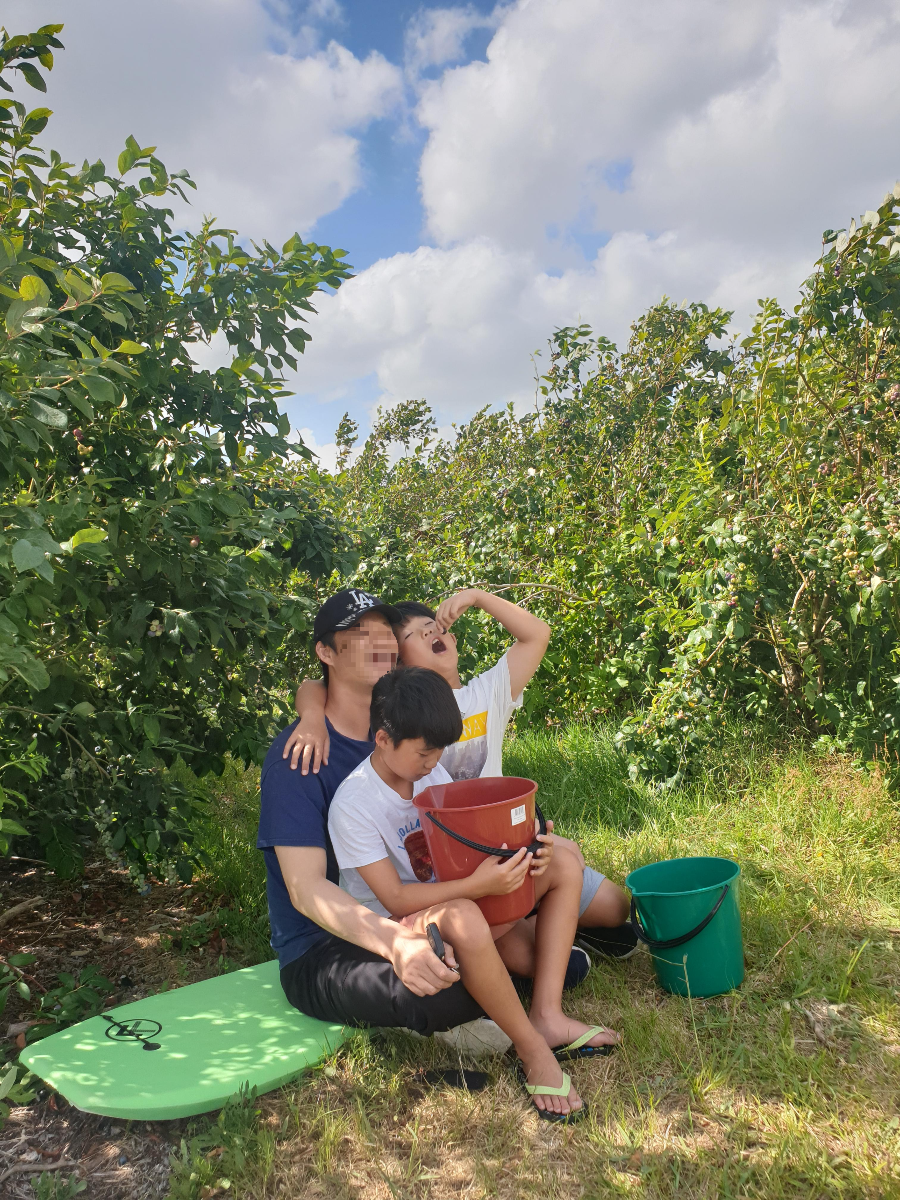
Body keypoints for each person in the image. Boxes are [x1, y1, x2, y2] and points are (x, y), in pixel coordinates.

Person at [327, 665, 619, 1121]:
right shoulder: (354, 803)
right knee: (465, 914)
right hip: (399, 929)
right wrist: (478, 886)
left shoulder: (430, 776)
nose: (432, 763)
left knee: (561, 859)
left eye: (439, 752)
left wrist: (530, 845)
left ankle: (548, 1014)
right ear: (383, 739)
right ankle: (531, 1050)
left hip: (455, 898)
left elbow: (465, 846)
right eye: (424, 753)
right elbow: (395, 901)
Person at [285, 588, 636, 961]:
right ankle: (541, 932)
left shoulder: (485, 693)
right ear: (397, 668)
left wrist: (479, 597)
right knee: (526, 954)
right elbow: (318, 684)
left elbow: (536, 634)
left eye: (433, 626)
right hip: (462, 873)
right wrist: (310, 716)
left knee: (615, 907)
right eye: (411, 636)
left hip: (509, 844)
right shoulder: (402, 712)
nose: (427, 633)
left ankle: (555, 922)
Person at [257, 589, 483, 1041]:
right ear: (325, 651)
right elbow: (305, 890)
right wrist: (394, 943)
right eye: (360, 634)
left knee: (498, 943)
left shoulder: (405, 729)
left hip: (415, 907)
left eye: (385, 632)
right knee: (438, 992)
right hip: (324, 946)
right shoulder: (299, 757)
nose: (380, 642)